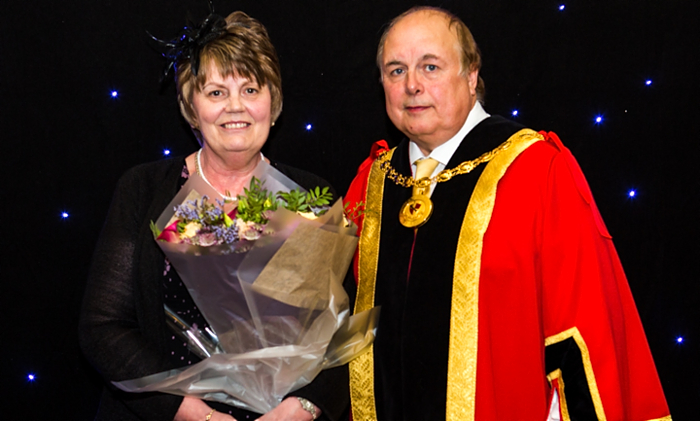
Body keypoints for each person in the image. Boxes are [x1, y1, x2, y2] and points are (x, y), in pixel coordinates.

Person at [344, 6, 671, 421]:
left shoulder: (535, 170)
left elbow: (584, 331)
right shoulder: (372, 184)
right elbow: (336, 319)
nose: (412, 85)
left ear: (471, 75)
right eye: (395, 70)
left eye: (430, 66)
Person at [80, 11, 347, 421]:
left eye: (250, 89)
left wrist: (302, 407)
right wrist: (190, 412)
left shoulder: (310, 197)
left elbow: (341, 336)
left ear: (272, 102)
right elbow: (103, 328)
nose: (235, 107)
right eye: (216, 93)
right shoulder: (144, 190)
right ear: (191, 108)